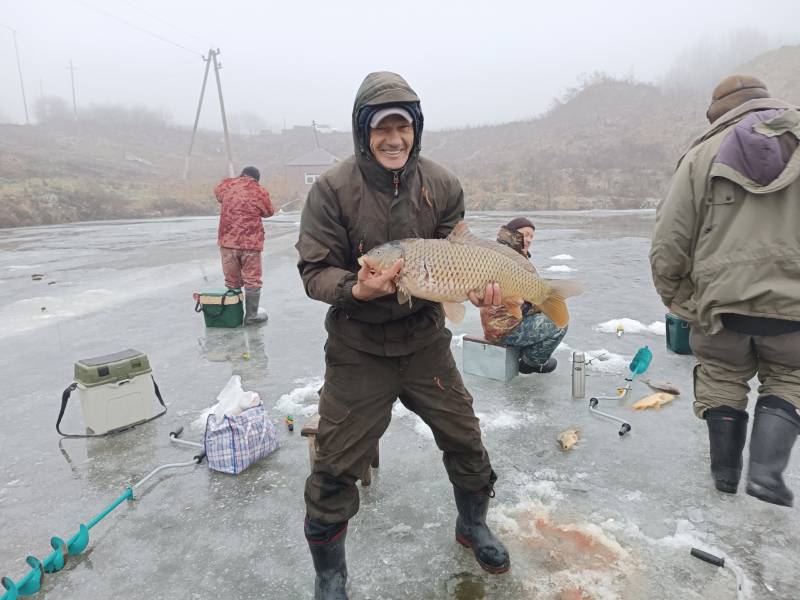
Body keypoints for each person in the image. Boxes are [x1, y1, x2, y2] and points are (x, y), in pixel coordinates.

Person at [296, 72, 510, 599]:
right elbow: (314, 270)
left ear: (416, 128)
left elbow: (455, 257)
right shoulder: (331, 189)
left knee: (466, 439)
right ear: (362, 131)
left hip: (424, 342)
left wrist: (478, 291)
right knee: (334, 465)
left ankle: (472, 525)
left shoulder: (442, 185)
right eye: (381, 128)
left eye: (403, 126)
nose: (393, 139)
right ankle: (330, 574)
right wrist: (356, 290)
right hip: (358, 346)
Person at [650, 75, 800, 507]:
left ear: (718, 113)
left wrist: (678, 299)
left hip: (720, 306)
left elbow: (669, 239)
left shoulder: (701, 155)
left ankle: (725, 476)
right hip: (794, 308)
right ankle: (767, 476)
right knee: (791, 377)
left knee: (721, 378)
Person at [479, 217, 567, 374]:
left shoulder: (512, 254)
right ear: (513, 234)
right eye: (525, 234)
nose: (529, 240)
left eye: (532, 236)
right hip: (504, 328)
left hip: (506, 323)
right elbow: (521, 301)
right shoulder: (508, 258)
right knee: (559, 324)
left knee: (551, 309)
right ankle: (530, 363)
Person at [215, 166, 274, 324]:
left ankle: (233, 315)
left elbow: (218, 195)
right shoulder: (259, 191)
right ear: (256, 178)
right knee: (252, 280)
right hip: (250, 243)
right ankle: (251, 316)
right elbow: (269, 212)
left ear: (242, 174)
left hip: (228, 242)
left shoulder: (226, 185)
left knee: (232, 280)